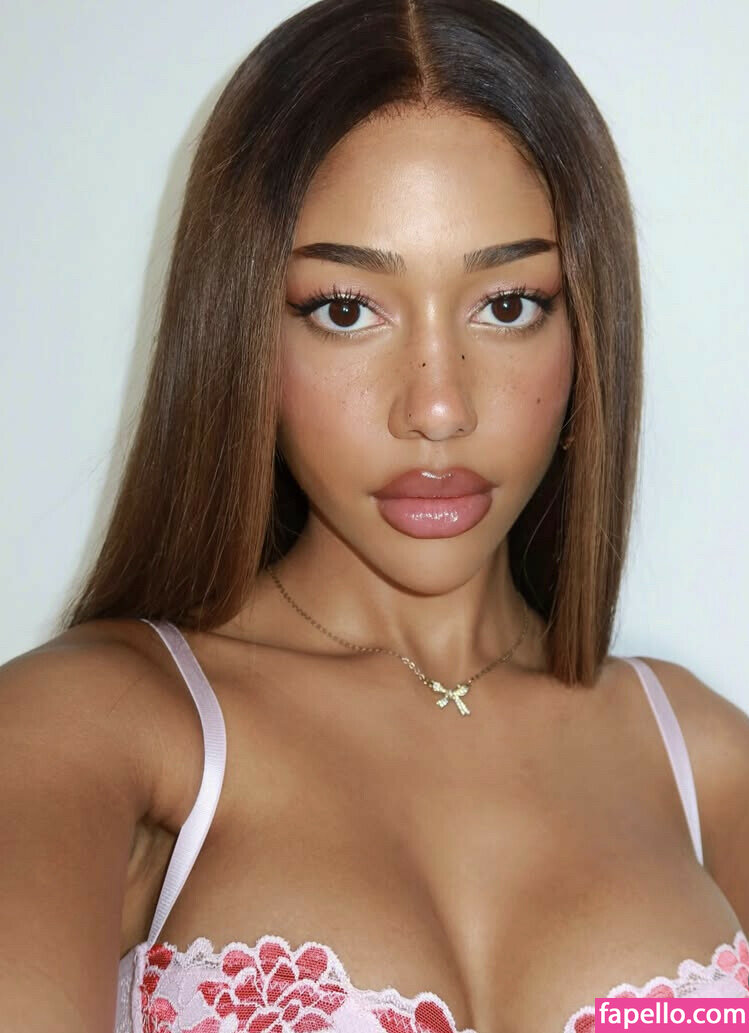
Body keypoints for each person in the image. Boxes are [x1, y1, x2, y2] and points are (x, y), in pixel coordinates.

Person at [2, 0, 749, 1030]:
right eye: (345, 309)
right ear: (240, 338)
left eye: (507, 305)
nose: (437, 407)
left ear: (586, 331)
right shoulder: (89, 731)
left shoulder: (705, 765)